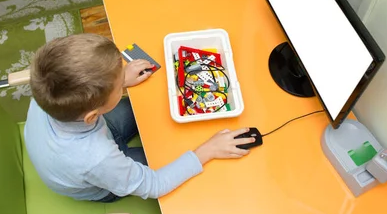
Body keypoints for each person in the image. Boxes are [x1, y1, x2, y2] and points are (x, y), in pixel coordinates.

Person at [24, 33, 255, 202]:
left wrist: (118, 80)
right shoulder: (98, 158)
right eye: (118, 87)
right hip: (100, 181)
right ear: (92, 114)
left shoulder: (47, 89)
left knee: (159, 114)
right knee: (177, 152)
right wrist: (208, 150)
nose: (121, 83)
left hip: (80, 147)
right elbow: (155, 185)